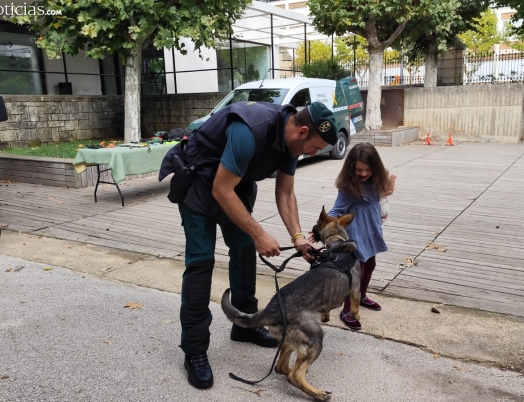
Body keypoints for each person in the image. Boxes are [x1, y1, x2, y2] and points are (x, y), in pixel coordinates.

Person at [158, 101, 339, 390]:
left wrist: (298, 238)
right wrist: (259, 234)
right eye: (314, 148)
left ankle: (244, 324)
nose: (313, 153)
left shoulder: (291, 143)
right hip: (199, 184)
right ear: (303, 131)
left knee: (243, 251)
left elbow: (286, 193)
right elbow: (220, 189)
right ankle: (194, 351)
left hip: (234, 185)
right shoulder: (250, 130)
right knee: (201, 262)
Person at [316, 142, 395, 331]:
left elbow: (384, 192)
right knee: (354, 274)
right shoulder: (348, 187)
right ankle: (347, 310)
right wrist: (317, 229)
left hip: (371, 231)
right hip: (356, 237)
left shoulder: (378, 179)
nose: (363, 173)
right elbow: (336, 211)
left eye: (368, 169)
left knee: (370, 267)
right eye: (359, 169)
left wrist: (389, 187)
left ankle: (362, 296)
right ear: (351, 167)